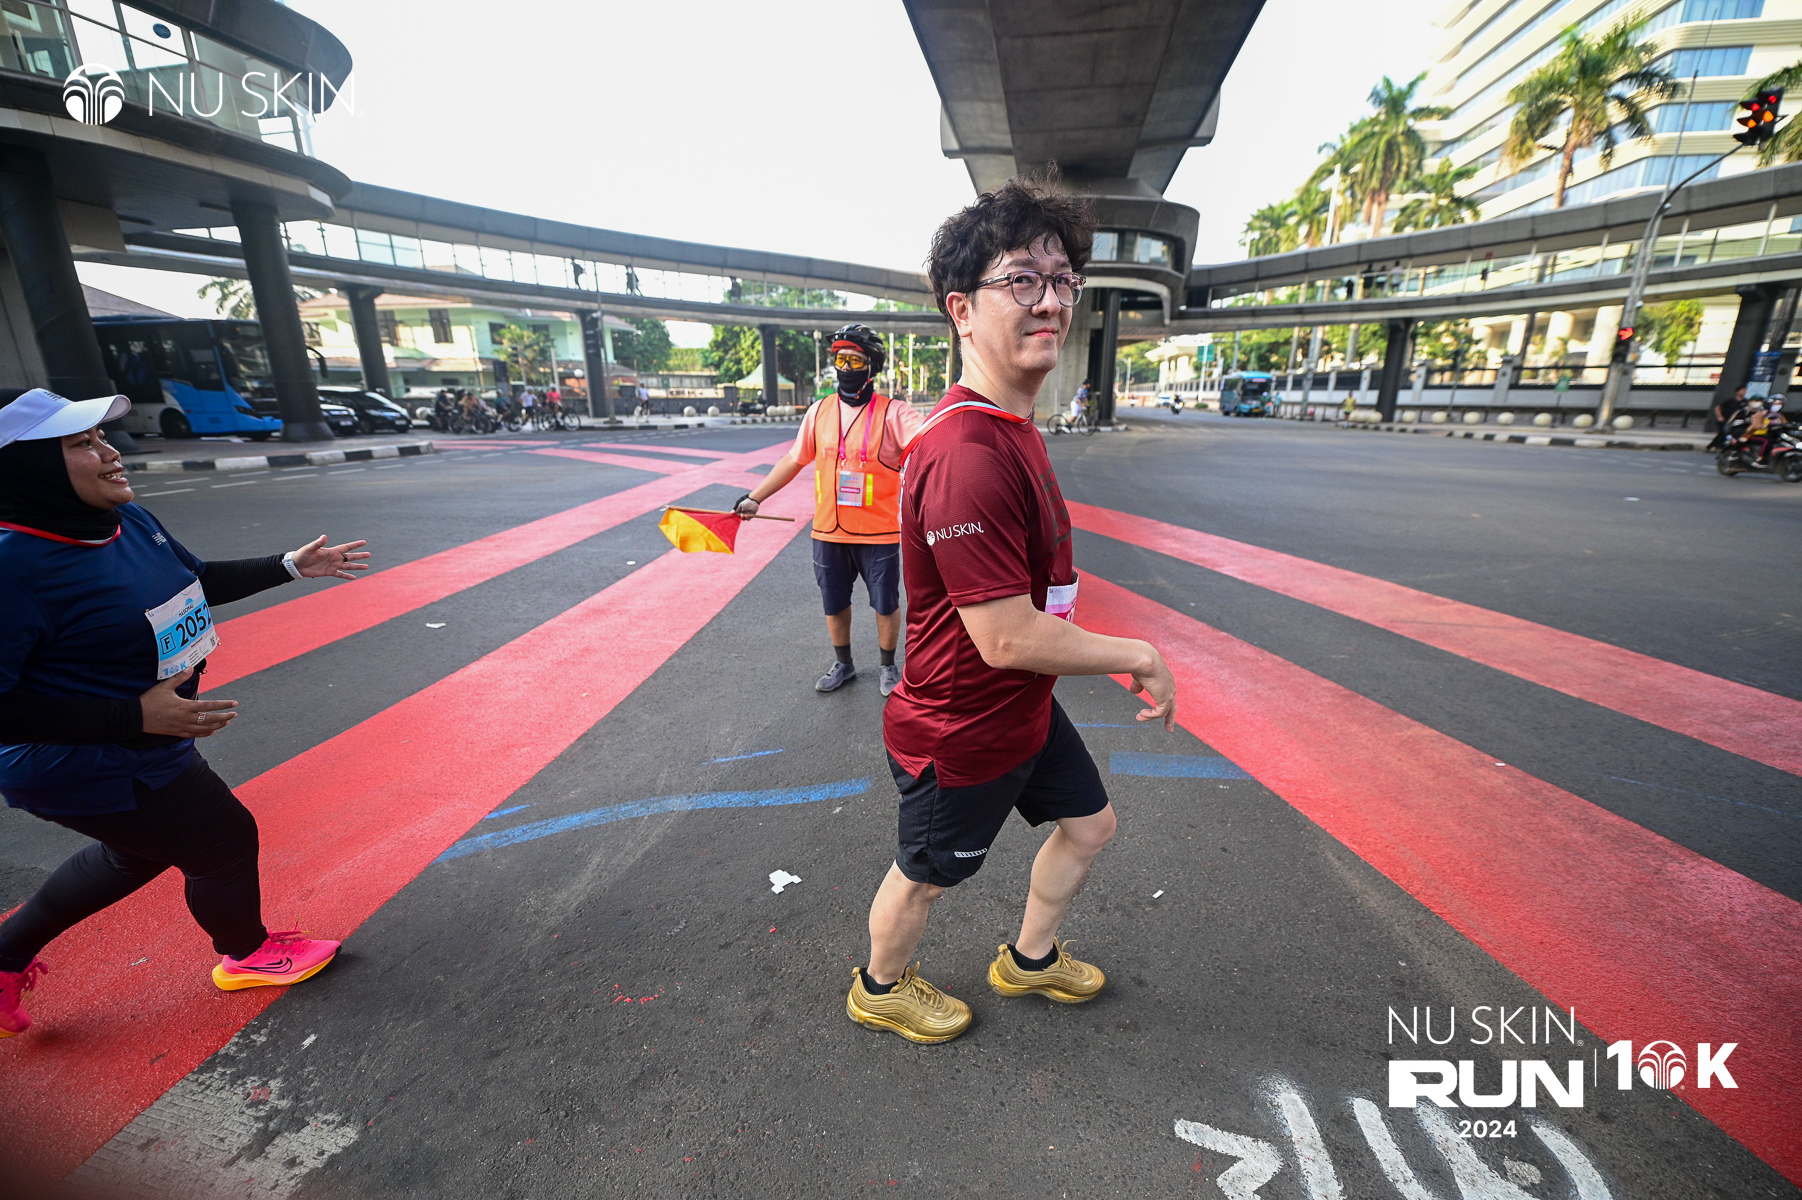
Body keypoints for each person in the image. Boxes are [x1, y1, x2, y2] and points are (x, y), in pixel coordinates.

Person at [844, 177, 1177, 1044]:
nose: (1052, 303)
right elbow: (1004, 637)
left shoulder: (1010, 426)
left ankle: (1029, 959)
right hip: (960, 728)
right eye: (1022, 280)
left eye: (1063, 281)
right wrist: (1137, 654)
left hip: (1022, 710)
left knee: (1089, 825)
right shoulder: (968, 452)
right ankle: (880, 987)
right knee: (924, 874)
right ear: (961, 309)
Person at [0, 388, 370, 1039]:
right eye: (82, 443)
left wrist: (288, 566)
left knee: (134, 853)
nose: (111, 453)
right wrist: (132, 717)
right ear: (26, 467)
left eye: (102, 436)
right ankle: (248, 954)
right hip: (78, 756)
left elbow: (193, 578)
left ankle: (2, 959)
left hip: (142, 737)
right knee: (222, 839)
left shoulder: (124, 519)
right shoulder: (13, 566)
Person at [734, 325, 923, 696]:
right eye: (841, 359)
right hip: (828, 532)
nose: (846, 367)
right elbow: (794, 459)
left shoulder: (894, 413)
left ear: (872, 367)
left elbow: (930, 440)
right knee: (834, 603)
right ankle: (844, 663)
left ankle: (888, 666)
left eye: (855, 360)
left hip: (879, 533)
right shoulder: (818, 412)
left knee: (885, 603)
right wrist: (756, 497)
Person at [1709, 384, 1749, 450]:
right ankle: (1713, 446)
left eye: (1745, 390)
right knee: (1723, 433)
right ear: (1737, 392)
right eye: (1742, 390)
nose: (1744, 392)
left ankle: (1719, 446)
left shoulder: (1746, 402)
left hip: (1736, 421)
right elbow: (1717, 408)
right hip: (1726, 420)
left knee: (1729, 434)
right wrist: (1720, 416)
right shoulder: (1730, 401)